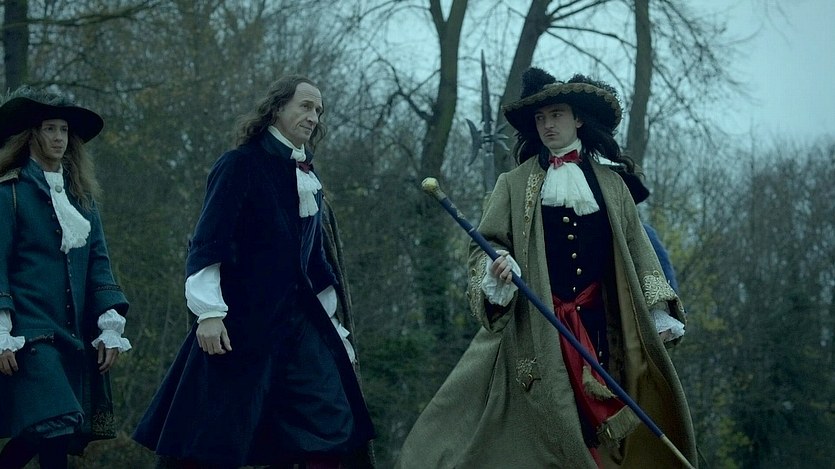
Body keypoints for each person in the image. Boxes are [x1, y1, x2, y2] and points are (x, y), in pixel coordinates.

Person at [396, 68, 697, 468]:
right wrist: (496, 268)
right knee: (542, 432)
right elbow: (486, 245)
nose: (547, 124)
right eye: (540, 118)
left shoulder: (612, 185)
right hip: (536, 328)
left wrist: (658, 312)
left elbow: (639, 251)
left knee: (608, 432)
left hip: (603, 329)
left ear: (578, 119)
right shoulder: (513, 184)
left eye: (556, 115)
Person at [132, 75, 375, 469]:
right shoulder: (240, 164)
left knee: (332, 423)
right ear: (276, 108)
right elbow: (209, 241)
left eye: (319, 110)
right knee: (212, 440)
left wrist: (333, 329)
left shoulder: (308, 179)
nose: (314, 117)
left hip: (300, 325)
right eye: (305, 106)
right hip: (242, 324)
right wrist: (209, 314)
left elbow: (314, 263)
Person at [0, 87, 132, 469]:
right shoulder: (9, 192)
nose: (59, 138)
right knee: (55, 419)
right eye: (50, 129)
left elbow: (99, 263)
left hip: (73, 334)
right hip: (30, 334)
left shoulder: (82, 198)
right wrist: (2, 333)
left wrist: (109, 326)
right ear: (32, 134)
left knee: (49, 429)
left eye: (64, 130)